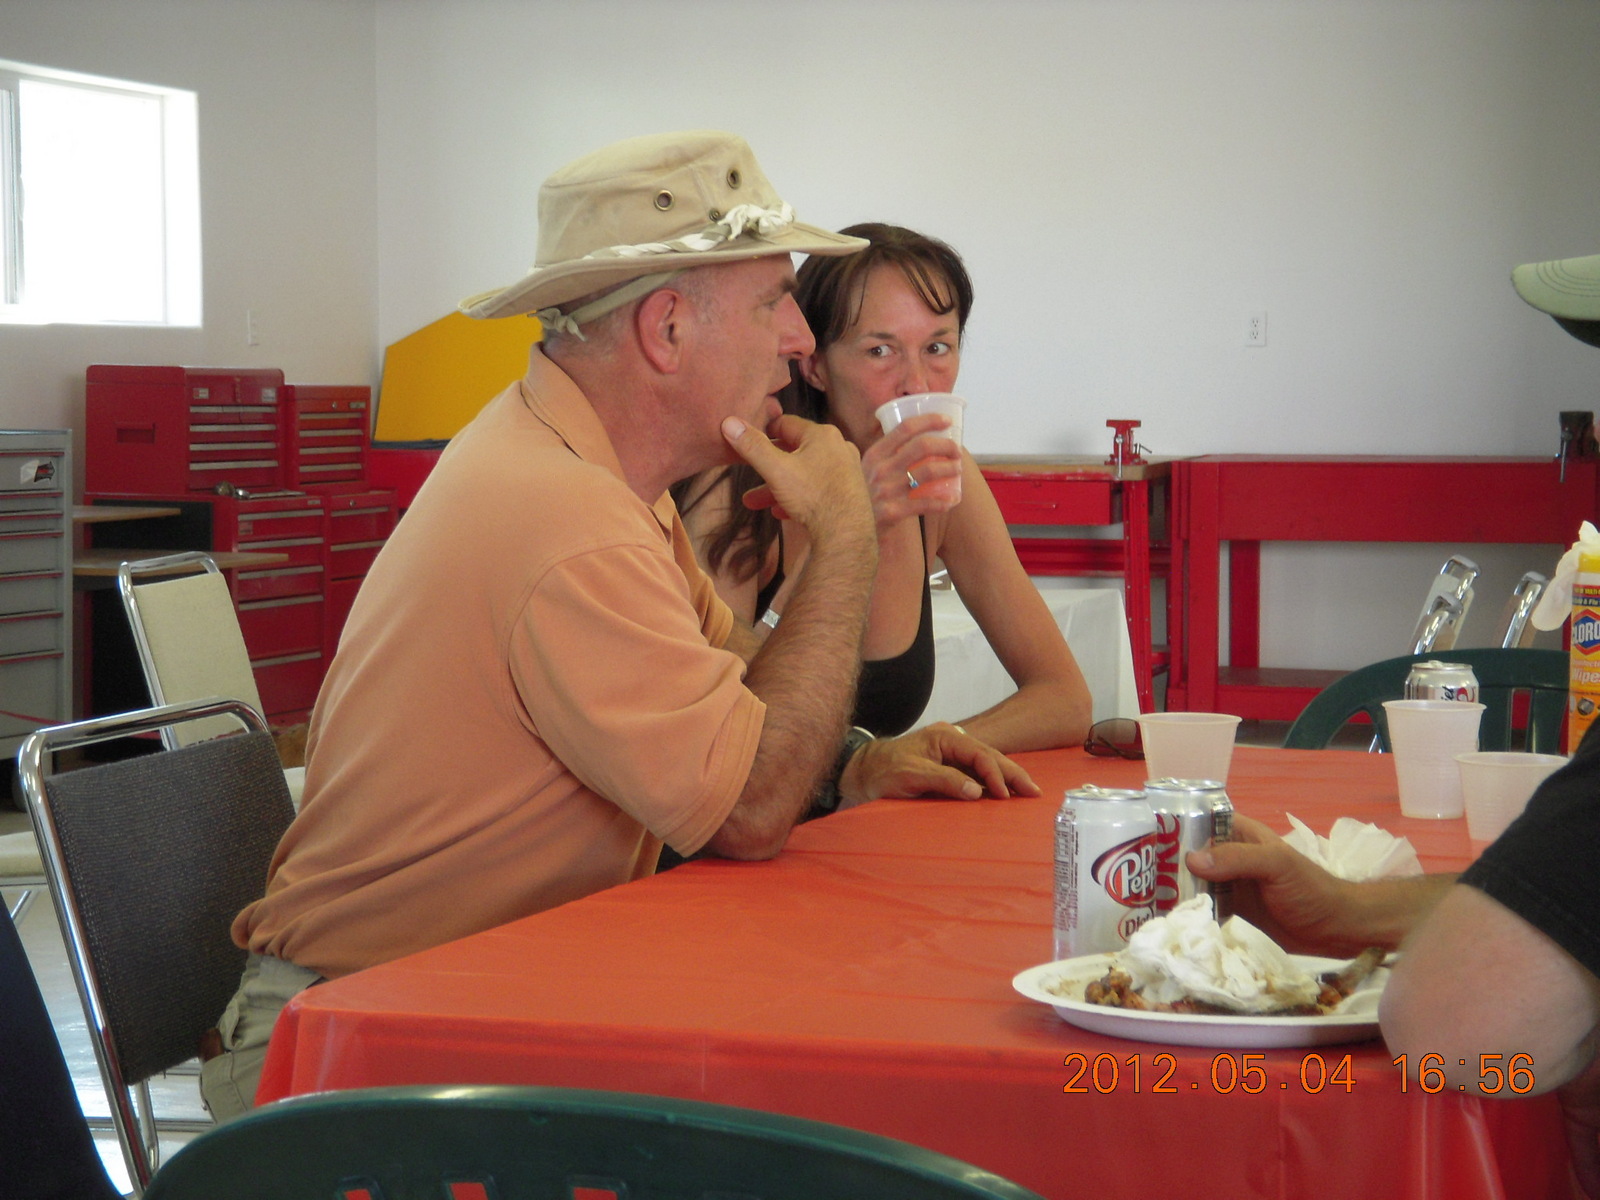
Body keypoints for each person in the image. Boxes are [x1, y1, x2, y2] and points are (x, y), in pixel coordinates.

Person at [200, 132, 1038, 1119]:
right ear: (666, 330)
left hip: (462, 999)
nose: (798, 341)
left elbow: (741, 689)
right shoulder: (571, 520)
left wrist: (860, 762)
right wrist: (847, 529)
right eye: (773, 303)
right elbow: (753, 808)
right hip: (356, 1048)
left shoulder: (591, 473)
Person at [675, 224, 1092, 749]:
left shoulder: (941, 480)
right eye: (880, 351)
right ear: (815, 366)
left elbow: (1065, 698)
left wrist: (920, 751)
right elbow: (720, 726)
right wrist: (845, 530)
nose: (916, 383)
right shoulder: (741, 482)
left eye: (937, 347)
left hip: (867, 798)